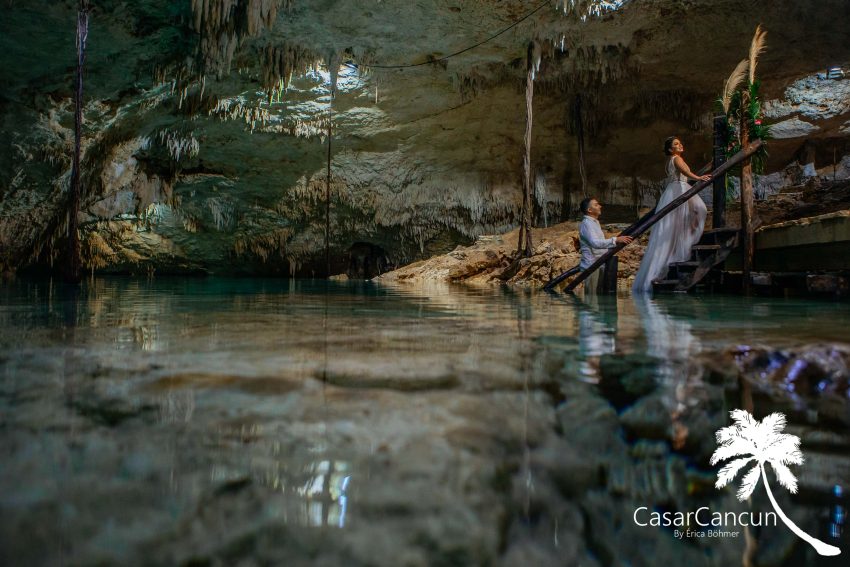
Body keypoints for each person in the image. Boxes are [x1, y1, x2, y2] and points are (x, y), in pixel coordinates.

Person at [632, 137, 710, 292]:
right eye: (675, 144)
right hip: (678, 188)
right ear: (670, 149)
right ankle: (686, 244)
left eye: (680, 143)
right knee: (700, 209)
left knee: (680, 220)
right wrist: (699, 178)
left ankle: (682, 246)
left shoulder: (672, 159)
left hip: (676, 189)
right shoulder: (676, 159)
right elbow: (685, 172)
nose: (680, 145)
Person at [579, 197, 633, 295]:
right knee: (592, 301)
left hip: (599, 264)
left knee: (597, 299)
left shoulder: (594, 222)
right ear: (589, 210)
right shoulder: (587, 224)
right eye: (596, 204)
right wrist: (615, 240)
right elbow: (595, 243)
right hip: (592, 266)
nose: (600, 206)